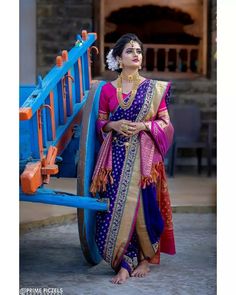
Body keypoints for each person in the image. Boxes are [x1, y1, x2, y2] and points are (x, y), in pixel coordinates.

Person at [90, 33, 176, 284]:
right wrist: (113, 125)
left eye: (138, 51)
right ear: (118, 58)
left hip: (145, 159)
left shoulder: (154, 88)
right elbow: (100, 122)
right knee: (113, 206)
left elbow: (165, 123)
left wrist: (144, 127)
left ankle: (144, 259)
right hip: (115, 157)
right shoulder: (107, 90)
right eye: (130, 51)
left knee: (143, 207)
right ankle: (122, 262)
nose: (136, 55)